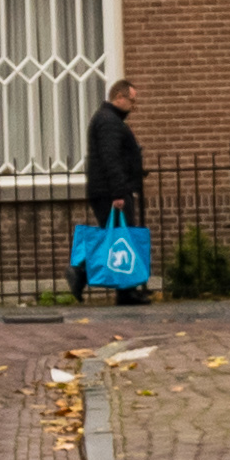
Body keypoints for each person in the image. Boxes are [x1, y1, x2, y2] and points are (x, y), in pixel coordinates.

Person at [80, 77, 149, 303]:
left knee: (117, 239)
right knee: (121, 240)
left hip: (108, 190)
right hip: (111, 192)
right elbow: (111, 159)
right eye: (131, 101)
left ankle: (124, 289)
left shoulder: (109, 119)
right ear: (119, 97)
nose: (133, 107)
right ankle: (122, 292)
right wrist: (119, 193)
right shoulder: (109, 122)